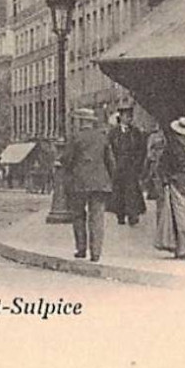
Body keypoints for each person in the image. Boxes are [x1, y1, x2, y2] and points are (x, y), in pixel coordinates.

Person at [60, 107, 116, 263]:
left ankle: (81, 249)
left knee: (78, 215)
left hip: (80, 183)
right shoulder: (102, 137)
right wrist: (110, 179)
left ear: (80, 121)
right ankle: (96, 252)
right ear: (92, 122)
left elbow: (67, 159)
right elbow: (110, 161)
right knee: (97, 217)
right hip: (100, 183)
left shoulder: (75, 137)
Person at [154, 116, 185, 260]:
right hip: (177, 185)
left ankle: (182, 247)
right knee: (183, 218)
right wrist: (167, 182)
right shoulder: (171, 149)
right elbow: (162, 168)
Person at [106, 105, 148, 227]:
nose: (129, 118)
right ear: (121, 117)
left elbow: (142, 150)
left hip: (131, 166)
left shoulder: (136, 132)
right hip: (118, 166)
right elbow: (109, 149)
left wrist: (138, 164)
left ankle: (132, 215)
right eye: (126, 116)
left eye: (130, 116)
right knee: (119, 191)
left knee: (132, 191)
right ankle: (120, 214)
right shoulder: (113, 133)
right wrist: (112, 164)